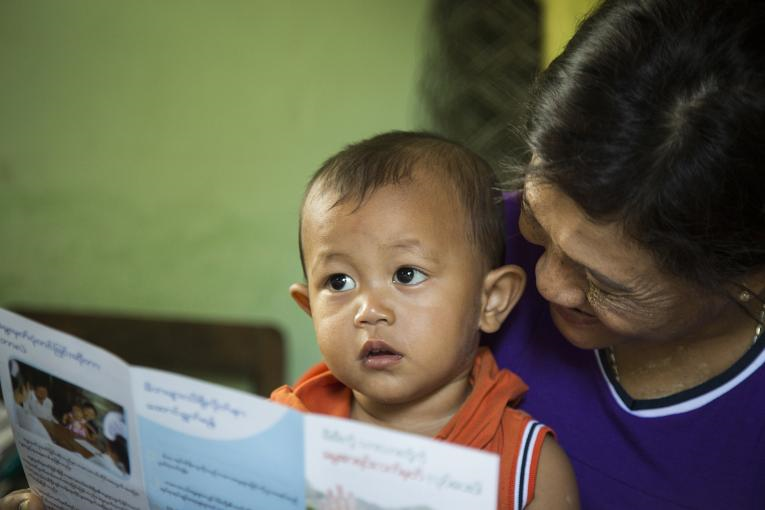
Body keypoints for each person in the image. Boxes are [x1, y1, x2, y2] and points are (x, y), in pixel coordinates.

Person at [487, 0, 765, 508]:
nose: (546, 282)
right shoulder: (458, 248)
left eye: (605, 283)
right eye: (534, 216)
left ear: (748, 274)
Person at [271, 131, 579, 510]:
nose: (369, 311)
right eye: (339, 282)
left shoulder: (528, 471)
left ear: (491, 301)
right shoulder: (283, 437)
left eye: (407, 275)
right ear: (309, 307)